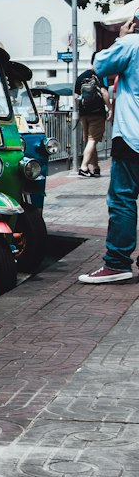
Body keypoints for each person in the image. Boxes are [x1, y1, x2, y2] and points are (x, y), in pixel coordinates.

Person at [79, 16, 139, 283]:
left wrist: (122, 36)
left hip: (133, 135)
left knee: (122, 200)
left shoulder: (131, 44)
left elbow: (101, 64)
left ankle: (117, 264)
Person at [74, 63, 109, 177]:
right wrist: (110, 108)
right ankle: (84, 167)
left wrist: (82, 109)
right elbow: (104, 93)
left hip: (84, 114)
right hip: (97, 113)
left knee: (89, 140)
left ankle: (95, 167)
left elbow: (75, 97)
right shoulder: (101, 76)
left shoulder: (81, 77)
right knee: (93, 140)